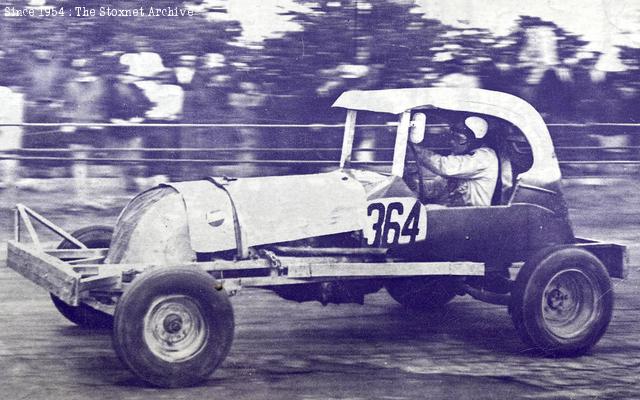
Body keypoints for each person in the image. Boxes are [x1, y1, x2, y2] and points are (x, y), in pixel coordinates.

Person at [412, 116, 499, 207]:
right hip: (457, 213)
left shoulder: (484, 157)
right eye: (452, 137)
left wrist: (417, 151)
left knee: (426, 210)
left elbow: (444, 167)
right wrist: (413, 185)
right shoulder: (461, 158)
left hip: (472, 216)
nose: (452, 142)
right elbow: (436, 188)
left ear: (473, 141)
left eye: (458, 139)